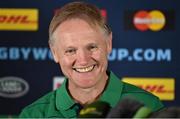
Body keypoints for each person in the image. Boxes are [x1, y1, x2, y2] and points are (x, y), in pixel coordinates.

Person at [19, 1, 164, 118]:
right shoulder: (33, 115)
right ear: (55, 53)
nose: (83, 60)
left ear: (108, 44)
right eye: (71, 50)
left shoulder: (148, 106)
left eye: (92, 47)